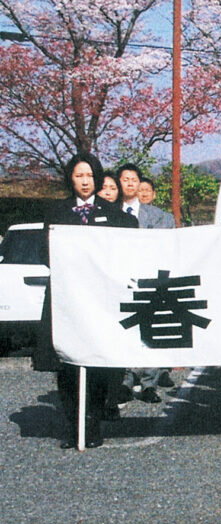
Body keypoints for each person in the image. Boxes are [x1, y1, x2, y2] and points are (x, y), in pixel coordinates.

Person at [33, 152, 138, 448]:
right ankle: (74, 427)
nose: (84, 181)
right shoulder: (57, 212)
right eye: (79, 175)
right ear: (70, 178)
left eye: (89, 175)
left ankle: (92, 424)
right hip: (66, 299)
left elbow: (129, 249)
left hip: (100, 301)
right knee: (67, 364)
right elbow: (44, 253)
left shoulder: (114, 214)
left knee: (97, 364)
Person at [117, 163, 176, 403]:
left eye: (134, 179)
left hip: (151, 281)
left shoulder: (160, 217)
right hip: (120, 282)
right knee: (125, 330)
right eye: (125, 179)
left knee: (151, 331)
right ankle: (125, 380)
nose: (131, 183)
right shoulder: (109, 212)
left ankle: (149, 383)